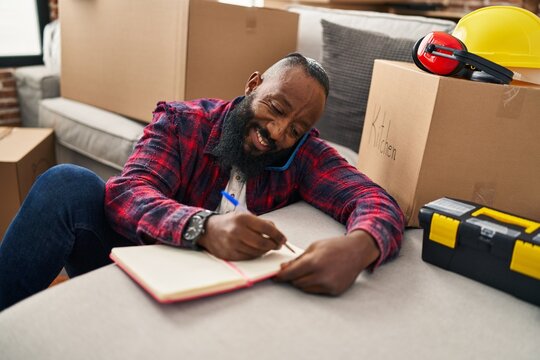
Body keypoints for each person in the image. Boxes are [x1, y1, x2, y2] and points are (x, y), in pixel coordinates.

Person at [0, 53, 404, 311]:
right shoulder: (183, 122)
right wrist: (202, 227)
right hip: (144, 257)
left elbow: (373, 198)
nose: (279, 132)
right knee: (66, 184)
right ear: (253, 85)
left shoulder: (304, 154)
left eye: (297, 128)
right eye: (275, 108)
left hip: (222, 299)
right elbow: (128, 191)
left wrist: (360, 248)